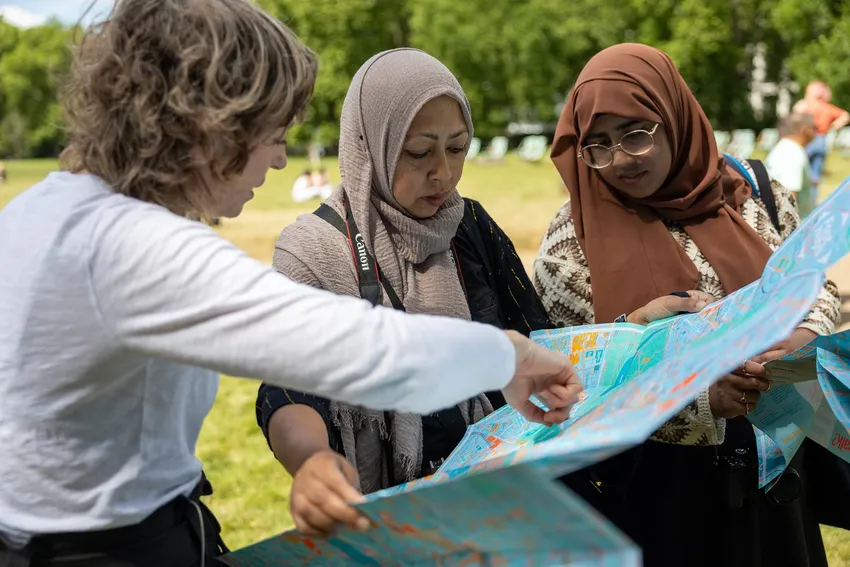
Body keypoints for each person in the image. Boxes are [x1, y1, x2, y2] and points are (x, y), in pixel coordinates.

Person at [0, 1, 587, 565]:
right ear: (214, 129)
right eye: (274, 134)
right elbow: (347, 345)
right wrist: (508, 357)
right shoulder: (136, 247)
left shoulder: (43, 210)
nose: (281, 161)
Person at [254, 48, 712, 539]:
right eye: (419, 152)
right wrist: (313, 460)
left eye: (457, 148)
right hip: (389, 526)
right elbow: (286, 388)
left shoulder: (469, 225)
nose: (443, 173)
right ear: (369, 144)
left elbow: (541, 347)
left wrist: (631, 331)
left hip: (505, 510)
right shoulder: (313, 252)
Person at [534, 43, 841, 567]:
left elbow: (817, 287)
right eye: (598, 145)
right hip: (656, 497)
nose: (619, 160)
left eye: (635, 133)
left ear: (674, 116)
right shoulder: (570, 241)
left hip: (775, 479)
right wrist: (699, 399)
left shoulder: (752, 194)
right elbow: (575, 376)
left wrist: (801, 337)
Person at [792, 80, 850, 189]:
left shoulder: (806, 106)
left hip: (808, 140)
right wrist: (834, 125)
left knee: (798, 169)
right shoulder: (827, 107)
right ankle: (812, 198)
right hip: (822, 140)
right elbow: (845, 115)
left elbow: (795, 118)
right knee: (815, 175)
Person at [765, 112, 817, 218]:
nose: (816, 132)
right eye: (814, 128)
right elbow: (788, 196)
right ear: (806, 130)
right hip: (796, 224)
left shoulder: (784, 147)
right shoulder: (793, 153)